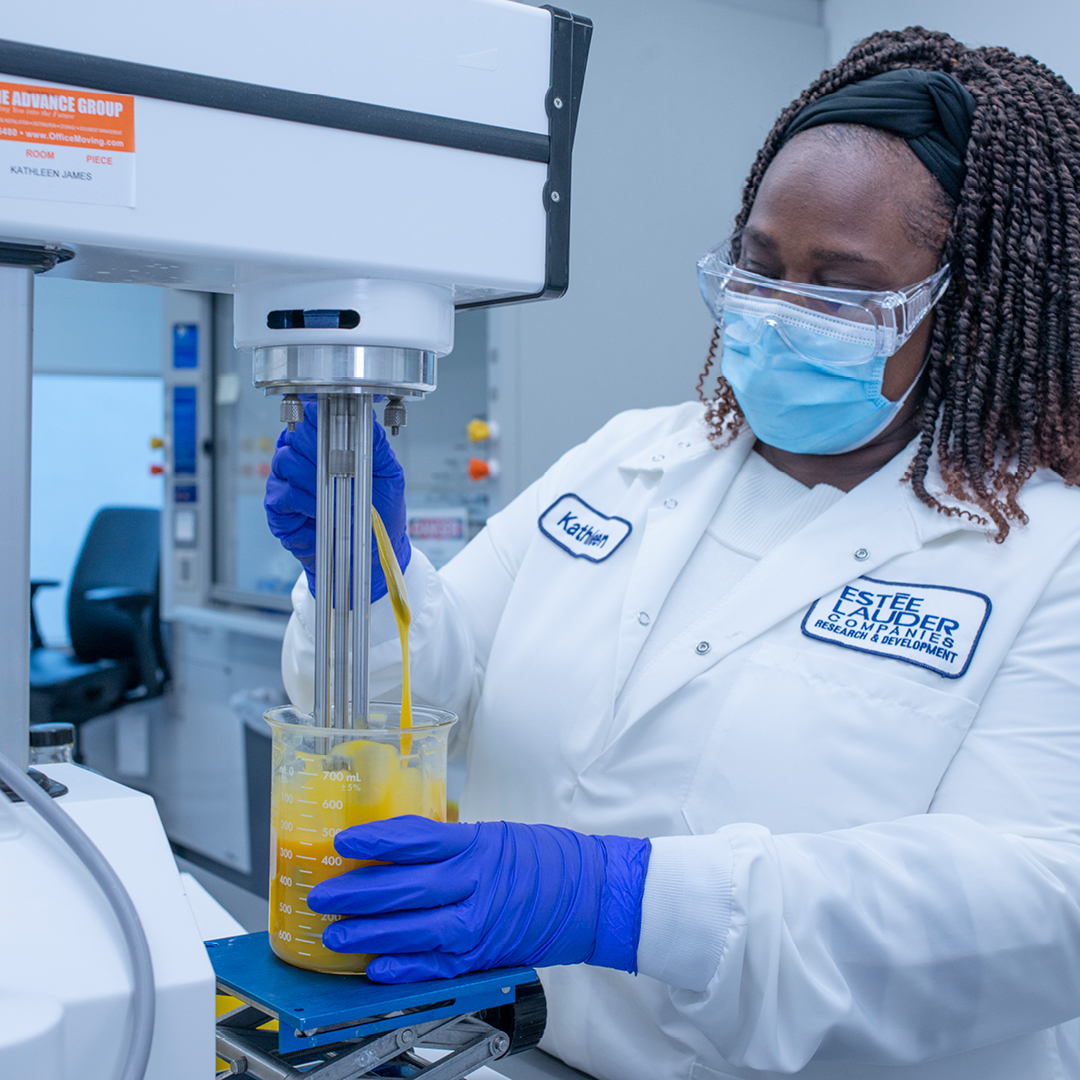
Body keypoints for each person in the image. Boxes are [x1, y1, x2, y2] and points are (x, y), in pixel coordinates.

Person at [264, 27, 1080, 1080]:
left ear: (962, 313)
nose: (777, 311)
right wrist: (363, 586)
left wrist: (620, 900)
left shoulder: (1050, 558)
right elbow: (430, 686)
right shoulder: (632, 457)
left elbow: (1039, 904)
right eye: (757, 264)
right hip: (519, 1055)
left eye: (837, 285)